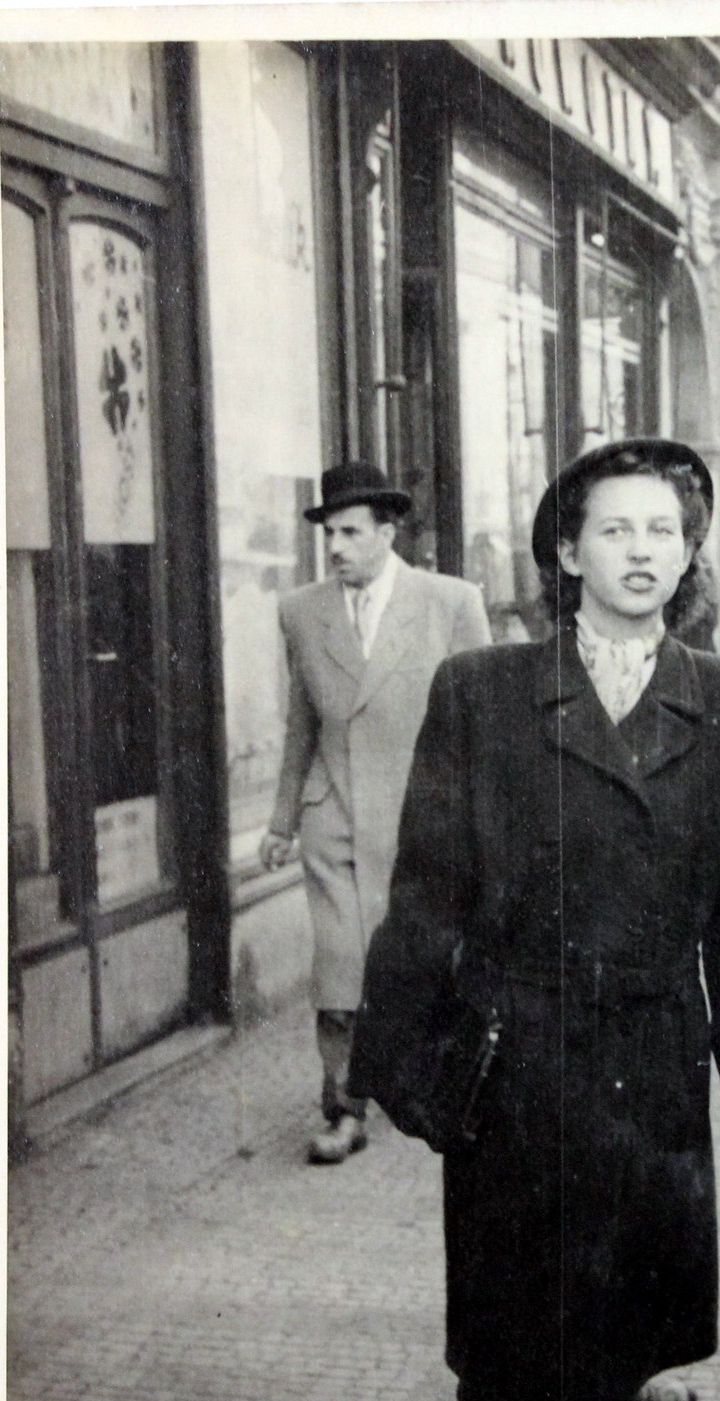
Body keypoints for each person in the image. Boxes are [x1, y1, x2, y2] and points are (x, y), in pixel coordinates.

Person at [348, 438, 720, 1401]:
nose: (643, 551)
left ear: (689, 557)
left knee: (578, 1346)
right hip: (519, 1057)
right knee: (553, 1346)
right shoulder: (483, 692)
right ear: (567, 550)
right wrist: (399, 1056)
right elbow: (428, 884)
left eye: (665, 531)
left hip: (646, 1068)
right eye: (616, 529)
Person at [260, 463, 490, 1163]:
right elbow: (301, 723)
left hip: (426, 818)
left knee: (430, 959)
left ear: (388, 533)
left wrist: (490, 819)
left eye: (350, 533)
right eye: (329, 533)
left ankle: (436, 1085)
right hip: (334, 816)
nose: (335, 547)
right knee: (339, 966)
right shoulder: (300, 612)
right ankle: (343, 1108)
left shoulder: (450, 603)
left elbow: (485, 722)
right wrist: (281, 821)